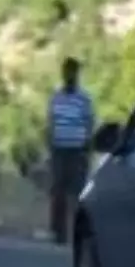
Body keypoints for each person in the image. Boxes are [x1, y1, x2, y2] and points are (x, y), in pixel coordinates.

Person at [46, 56, 94, 245]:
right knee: (58, 191)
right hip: (59, 149)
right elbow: (51, 122)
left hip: (78, 150)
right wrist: (50, 145)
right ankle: (58, 232)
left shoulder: (84, 99)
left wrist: (87, 147)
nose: (69, 76)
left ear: (77, 74)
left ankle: (78, 233)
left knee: (77, 193)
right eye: (66, 72)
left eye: (72, 72)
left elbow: (89, 123)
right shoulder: (56, 98)